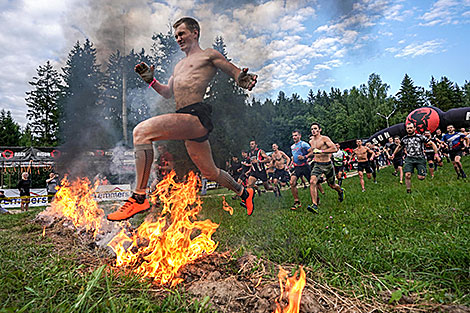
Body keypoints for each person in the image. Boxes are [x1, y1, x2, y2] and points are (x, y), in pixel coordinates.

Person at [107, 17, 257, 221]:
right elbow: (168, 93)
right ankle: (245, 193)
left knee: (141, 132)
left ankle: (139, 196)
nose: (178, 38)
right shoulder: (178, 67)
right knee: (210, 172)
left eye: (182, 33)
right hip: (186, 121)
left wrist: (241, 78)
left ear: (195, 33)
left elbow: (232, 70)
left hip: (196, 116)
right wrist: (151, 81)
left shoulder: (208, 55)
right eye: (176, 35)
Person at [305, 123, 344, 213]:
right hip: (317, 165)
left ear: (320, 130)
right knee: (312, 181)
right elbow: (314, 152)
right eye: (312, 129)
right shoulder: (311, 141)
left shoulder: (325, 139)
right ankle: (314, 205)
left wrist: (321, 151)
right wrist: (306, 156)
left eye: (315, 128)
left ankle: (340, 191)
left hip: (327, 165)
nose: (313, 130)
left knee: (332, 185)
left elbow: (334, 149)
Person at [392, 122, 440, 193]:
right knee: (407, 175)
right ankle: (408, 190)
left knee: (421, 177)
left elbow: (432, 143)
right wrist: (393, 154)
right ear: (406, 129)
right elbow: (399, 147)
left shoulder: (420, 137)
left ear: (414, 128)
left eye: (411, 128)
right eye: (408, 128)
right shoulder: (404, 139)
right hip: (409, 158)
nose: (409, 129)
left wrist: (436, 154)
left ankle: (422, 173)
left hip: (420, 158)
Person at [289, 130, 311, 210]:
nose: (294, 137)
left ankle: (316, 200)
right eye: (293, 136)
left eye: (296, 135)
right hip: (297, 167)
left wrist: (305, 157)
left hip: (305, 166)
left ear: (300, 136)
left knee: (312, 183)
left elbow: (311, 152)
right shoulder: (292, 147)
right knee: (292, 182)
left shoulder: (303, 144)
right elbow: (293, 156)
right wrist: (291, 164)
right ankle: (297, 202)